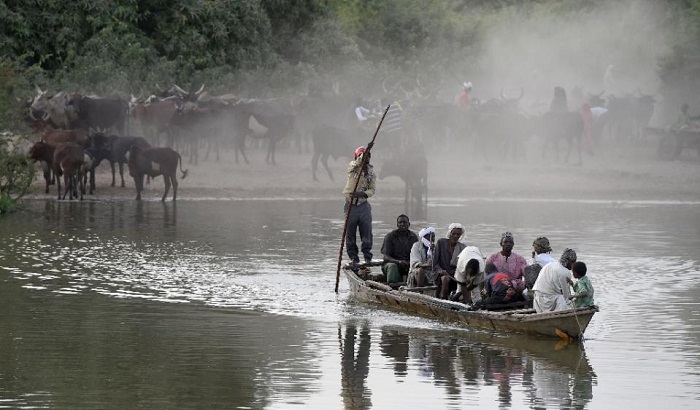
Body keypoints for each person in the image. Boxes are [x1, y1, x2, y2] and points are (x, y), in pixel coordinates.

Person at [342, 144, 376, 270]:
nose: (367, 158)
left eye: (369, 156)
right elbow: (358, 162)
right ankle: (353, 258)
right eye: (365, 156)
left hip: (363, 206)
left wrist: (363, 193)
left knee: (366, 232)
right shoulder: (353, 166)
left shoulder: (371, 172)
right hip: (350, 205)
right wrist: (365, 151)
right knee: (350, 233)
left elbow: (372, 189)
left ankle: (367, 257)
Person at [532, 248, 577, 313]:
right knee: (564, 300)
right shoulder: (565, 272)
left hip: (537, 300)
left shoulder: (550, 264)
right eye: (573, 262)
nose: (574, 264)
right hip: (548, 302)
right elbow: (566, 296)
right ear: (568, 261)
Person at [432, 223, 467, 299]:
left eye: (458, 234)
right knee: (445, 279)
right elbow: (435, 263)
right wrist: (440, 271)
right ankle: (443, 300)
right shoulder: (441, 242)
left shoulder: (462, 247)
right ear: (450, 233)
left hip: (455, 275)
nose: (456, 236)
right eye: (454, 233)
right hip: (440, 274)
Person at [381, 214, 418, 284]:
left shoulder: (413, 237)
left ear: (409, 224)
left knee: (419, 268)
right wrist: (399, 262)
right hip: (392, 265)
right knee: (392, 266)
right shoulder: (390, 237)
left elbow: (417, 254)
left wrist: (411, 262)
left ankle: (417, 288)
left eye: (404, 222)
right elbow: (386, 257)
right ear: (397, 224)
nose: (402, 224)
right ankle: (392, 288)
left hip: (408, 265)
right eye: (400, 222)